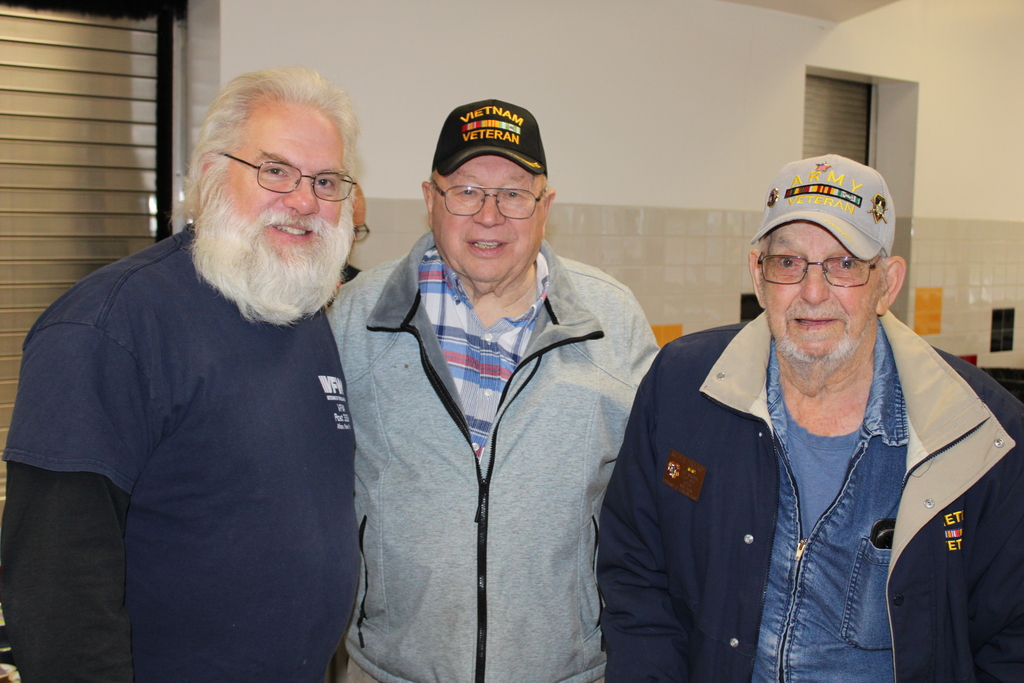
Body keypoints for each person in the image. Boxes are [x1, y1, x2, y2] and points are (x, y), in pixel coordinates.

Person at [597, 154, 1024, 682]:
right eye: (788, 263)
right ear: (758, 273)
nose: (814, 292)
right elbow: (635, 572)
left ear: (887, 283)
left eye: (845, 264)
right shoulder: (682, 387)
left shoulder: (979, 433)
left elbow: (1011, 640)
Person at [1, 66, 362, 682]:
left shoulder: (299, 313)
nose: (304, 201)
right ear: (209, 174)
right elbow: (55, 581)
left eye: (326, 181)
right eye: (275, 170)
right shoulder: (109, 326)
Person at [328, 99, 658, 683]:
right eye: (467, 191)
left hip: (567, 671)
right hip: (389, 671)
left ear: (545, 207)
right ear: (431, 199)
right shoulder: (354, 318)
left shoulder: (614, 319)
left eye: (513, 193)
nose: (489, 216)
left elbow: (653, 504)